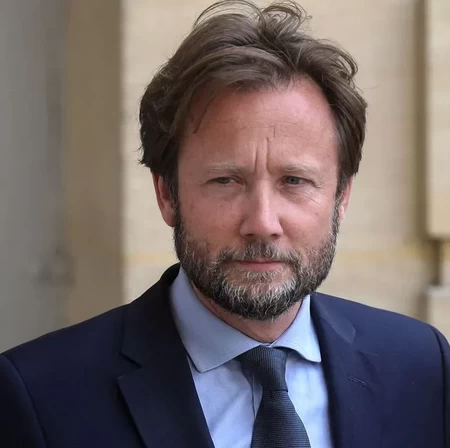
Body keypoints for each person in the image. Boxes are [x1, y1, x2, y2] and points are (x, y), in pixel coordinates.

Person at [1, 1, 449, 447]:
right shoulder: (41, 397)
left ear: (341, 196)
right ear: (167, 194)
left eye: (294, 181)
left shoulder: (423, 368)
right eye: (225, 181)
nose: (262, 222)